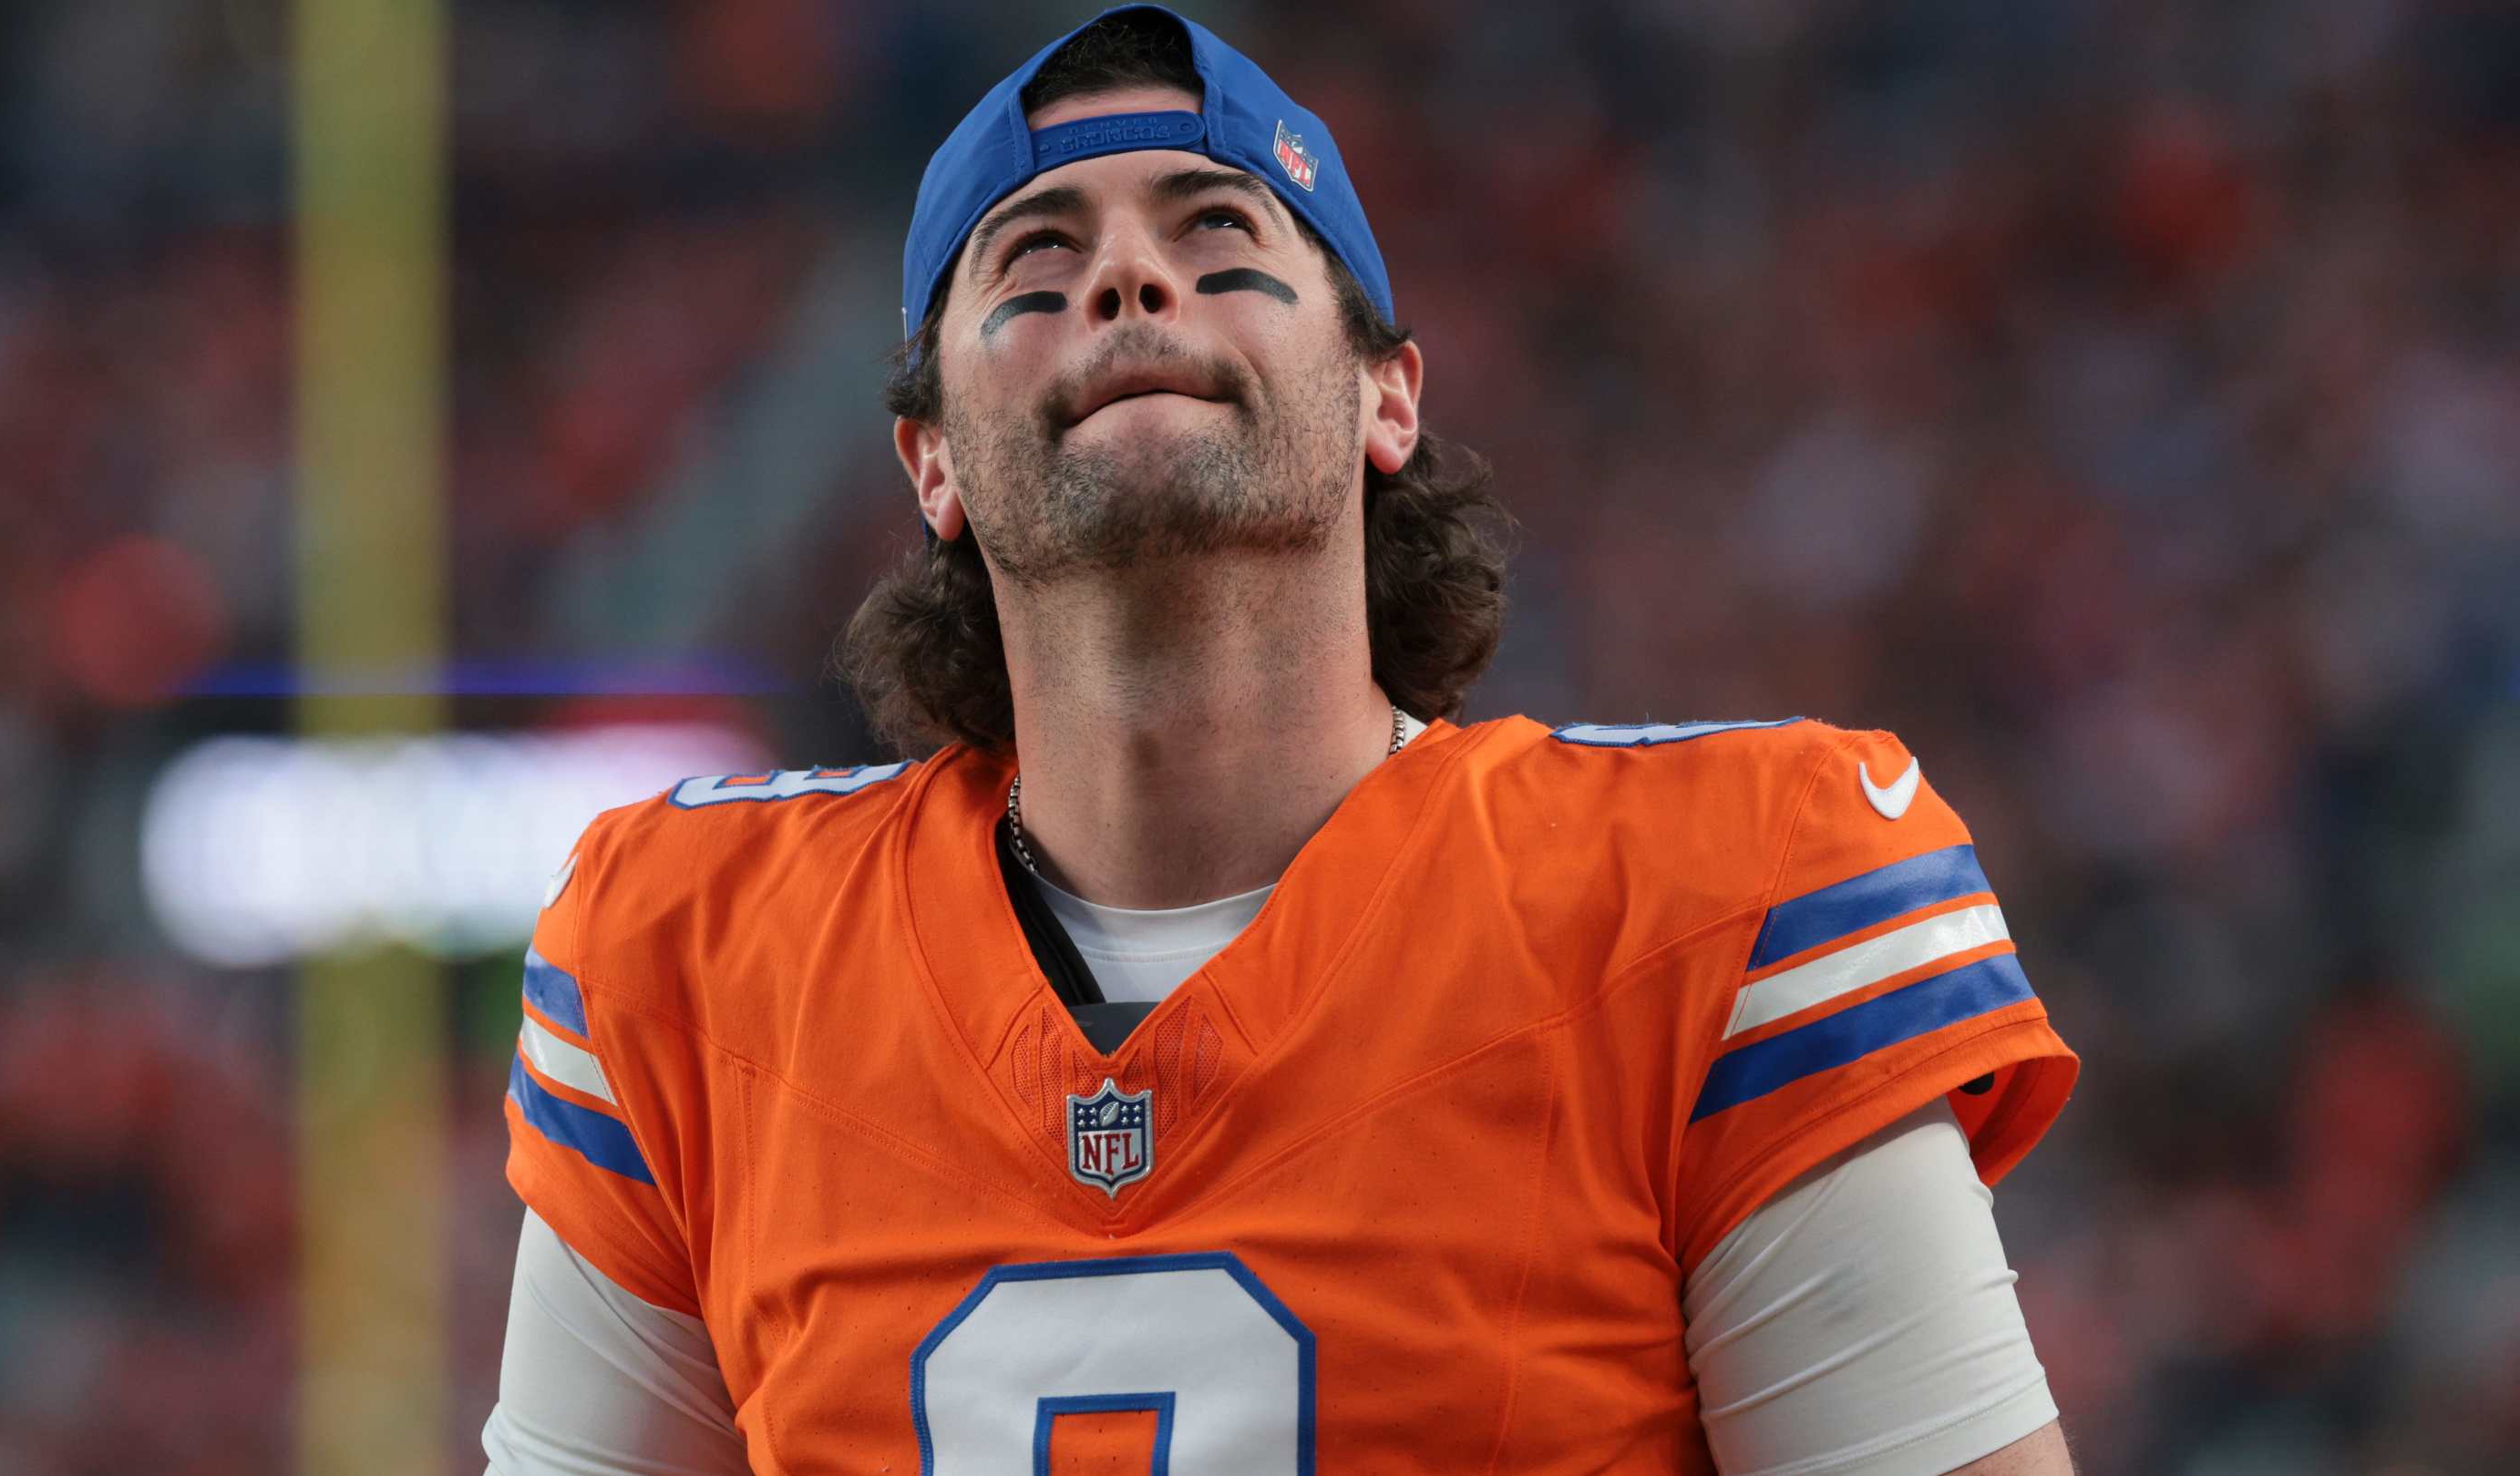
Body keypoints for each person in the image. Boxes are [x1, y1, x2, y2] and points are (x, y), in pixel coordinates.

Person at [484, 7, 2083, 1472]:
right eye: (1032, 265)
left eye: (1219, 235)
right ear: (931, 464)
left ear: (1387, 398)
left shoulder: (1727, 896)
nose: (1123, 280)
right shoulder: (690, 955)